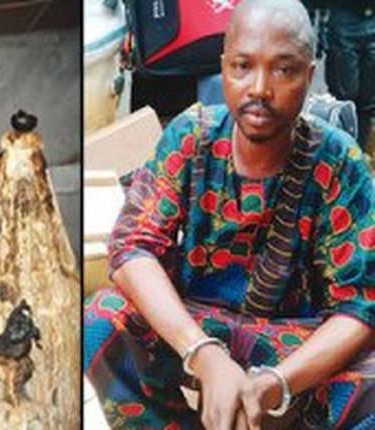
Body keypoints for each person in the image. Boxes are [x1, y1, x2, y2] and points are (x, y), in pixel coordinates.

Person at [83, 0, 373, 428]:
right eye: (242, 66)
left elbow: (362, 303)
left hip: (292, 340)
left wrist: (278, 381)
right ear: (223, 68)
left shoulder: (339, 160)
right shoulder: (191, 137)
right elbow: (131, 249)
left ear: (309, 77)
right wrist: (202, 353)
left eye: (283, 70)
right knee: (99, 320)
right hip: (199, 325)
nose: (259, 87)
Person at [322, 0, 374, 151]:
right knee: (344, 96)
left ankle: (359, 155)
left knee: (368, 101)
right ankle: (338, 155)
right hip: (344, 20)